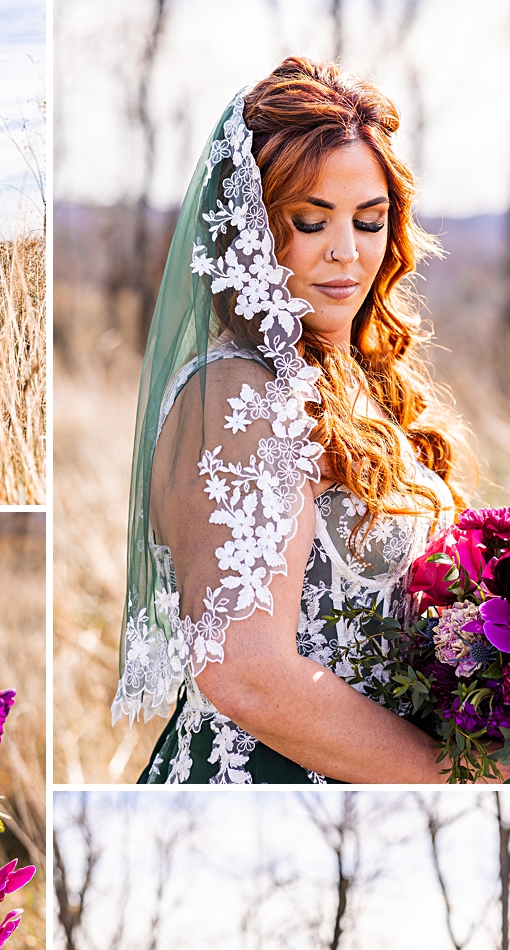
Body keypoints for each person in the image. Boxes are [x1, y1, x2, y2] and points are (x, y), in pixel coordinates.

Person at [112, 56, 477, 785]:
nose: (347, 251)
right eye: (311, 222)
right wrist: (454, 777)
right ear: (250, 229)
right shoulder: (241, 393)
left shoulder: (368, 387)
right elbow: (244, 672)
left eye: (369, 221)